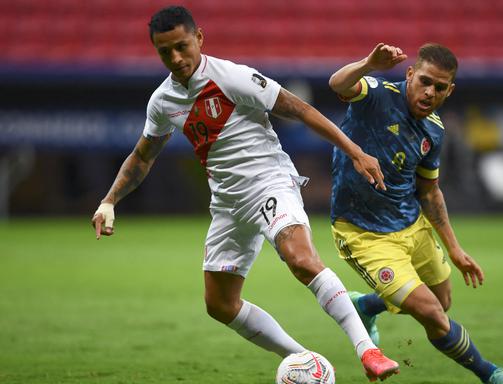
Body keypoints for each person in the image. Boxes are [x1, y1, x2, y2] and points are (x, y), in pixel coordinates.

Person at [90, 5, 400, 381]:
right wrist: (109, 200)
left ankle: (368, 351)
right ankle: (305, 360)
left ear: (199, 38)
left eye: (182, 46)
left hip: (269, 182)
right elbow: (142, 156)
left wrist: (355, 152)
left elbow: (300, 109)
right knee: (220, 305)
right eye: (164, 51)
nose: (175, 57)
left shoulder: (232, 77)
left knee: (300, 260)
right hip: (227, 203)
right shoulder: (163, 101)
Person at [328, 43, 503, 384]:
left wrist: (455, 249)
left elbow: (429, 192)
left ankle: (367, 306)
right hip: (365, 233)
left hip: (411, 225)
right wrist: (369, 64)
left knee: (441, 301)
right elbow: (338, 84)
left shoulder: (435, 129)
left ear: (450, 90)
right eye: (425, 82)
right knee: (432, 313)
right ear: (410, 75)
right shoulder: (377, 92)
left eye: (440, 87)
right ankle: (492, 375)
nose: (430, 92)